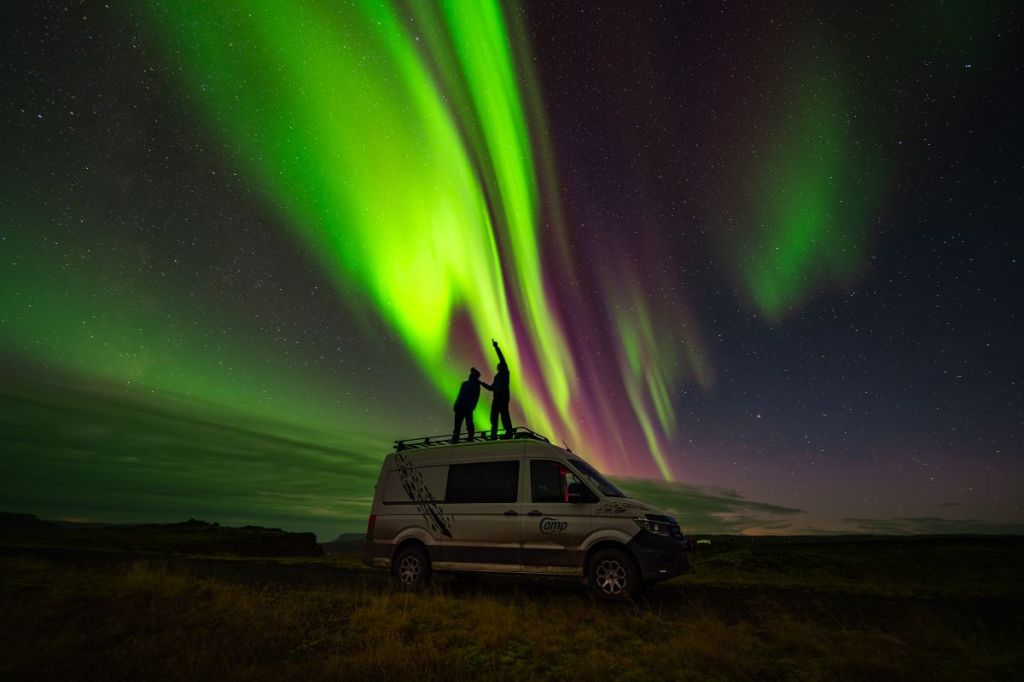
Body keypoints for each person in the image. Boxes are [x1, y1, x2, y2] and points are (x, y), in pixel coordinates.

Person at [485, 339, 512, 439]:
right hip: (496, 397)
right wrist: (482, 383)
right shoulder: (497, 376)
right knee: (494, 417)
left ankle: (508, 433)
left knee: (504, 415)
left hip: (503, 395)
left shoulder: (505, 371)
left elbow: (501, 358)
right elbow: (492, 388)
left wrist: (496, 347)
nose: (499, 365)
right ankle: (493, 434)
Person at [452, 367, 484, 442]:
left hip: (466, 406)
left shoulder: (475, 385)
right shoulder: (466, 384)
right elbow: (460, 395)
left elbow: (476, 396)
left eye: (472, 374)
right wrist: (457, 404)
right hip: (462, 406)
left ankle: (470, 437)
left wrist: (472, 406)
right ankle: (456, 437)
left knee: (467, 423)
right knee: (458, 424)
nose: (470, 374)